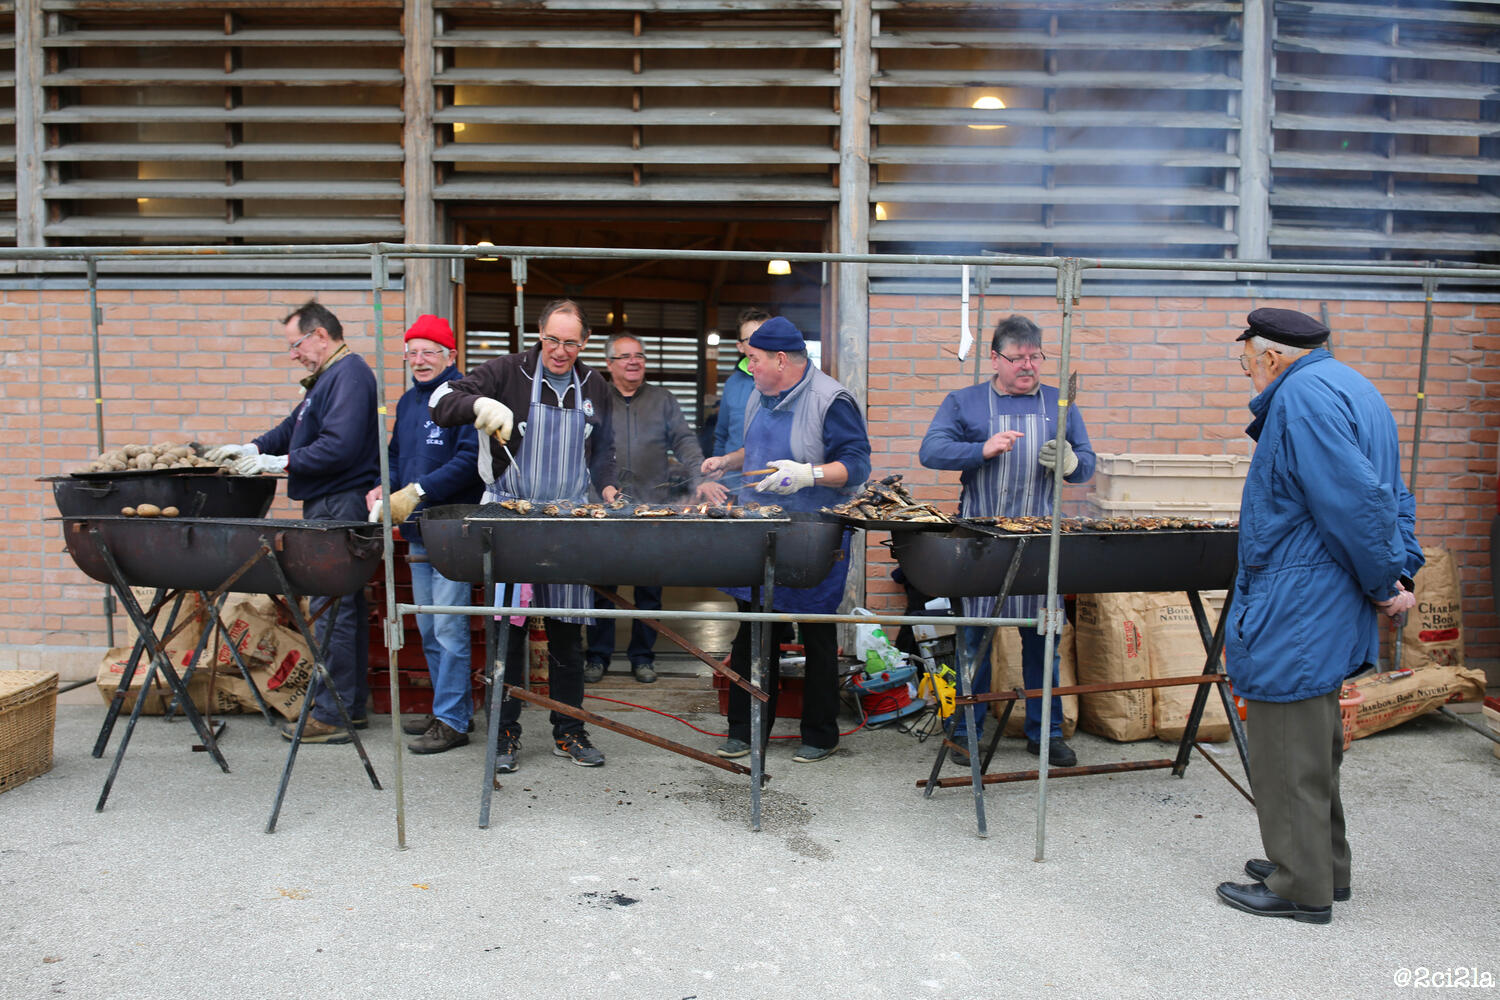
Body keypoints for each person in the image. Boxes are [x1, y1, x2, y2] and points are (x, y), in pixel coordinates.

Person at [1215, 307, 1422, 925]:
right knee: (1313, 739)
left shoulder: (1300, 400)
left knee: (1285, 741)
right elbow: (1393, 492)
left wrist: (1388, 580)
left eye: (1246, 358)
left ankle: (1300, 885)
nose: (1246, 369)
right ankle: (1322, 864)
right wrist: (1400, 566)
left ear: (1272, 355)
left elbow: (1357, 502)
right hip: (1323, 594)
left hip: (1299, 598)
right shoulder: (1352, 383)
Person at [430, 299, 620, 772]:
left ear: (585, 342)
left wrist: (612, 488)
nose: (560, 351)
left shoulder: (595, 384)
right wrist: (477, 403)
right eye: (552, 340)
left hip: (569, 521)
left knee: (565, 633)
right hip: (509, 519)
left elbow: (606, 451)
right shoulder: (504, 372)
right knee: (506, 637)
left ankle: (570, 730)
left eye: (570, 343)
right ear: (539, 333)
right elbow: (440, 403)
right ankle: (505, 734)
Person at [918, 314, 1095, 769]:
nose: (1028, 366)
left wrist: (1073, 463)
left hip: (1039, 544)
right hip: (981, 543)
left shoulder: (1061, 404)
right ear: (995, 359)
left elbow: (1088, 464)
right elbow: (931, 450)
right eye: (1017, 358)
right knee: (972, 642)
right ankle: (965, 730)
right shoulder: (965, 402)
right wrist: (980, 450)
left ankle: (1047, 733)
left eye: (1035, 357)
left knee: (1043, 642)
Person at [207, 301, 379, 744]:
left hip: (339, 506)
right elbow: (293, 427)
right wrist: (248, 448)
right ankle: (348, 707)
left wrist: (275, 462)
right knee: (342, 609)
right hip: (331, 503)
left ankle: (332, 714)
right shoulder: (328, 379)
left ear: (320, 335)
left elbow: (338, 447)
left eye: (295, 343)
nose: (293, 354)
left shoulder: (350, 376)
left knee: (330, 612)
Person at [701, 316, 871, 764]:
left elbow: (857, 465)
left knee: (815, 635)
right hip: (761, 529)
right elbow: (754, 448)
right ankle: (746, 729)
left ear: (780, 359)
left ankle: (820, 734)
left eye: (753, 359)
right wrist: (727, 460)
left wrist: (807, 474)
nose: (748, 366)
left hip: (814, 535)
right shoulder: (761, 393)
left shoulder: (831, 400)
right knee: (754, 632)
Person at [365, 314, 484, 755]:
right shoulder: (407, 403)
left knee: (450, 628)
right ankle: (447, 710)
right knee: (431, 628)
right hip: (416, 530)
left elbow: (471, 461)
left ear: (450, 356)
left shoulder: (462, 397)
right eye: (412, 352)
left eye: (429, 352)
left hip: (451, 529)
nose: (419, 360)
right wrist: (387, 484)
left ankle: (452, 720)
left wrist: (418, 490)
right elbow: (396, 455)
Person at [585, 334, 728, 685]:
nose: (634, 362)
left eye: (639, 356)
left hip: (653, 507)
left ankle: (643, 657)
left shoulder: (663, 400)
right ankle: (597, 656)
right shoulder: (596, 399)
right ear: (610, 363)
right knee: (602, 590)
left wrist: (699, 478)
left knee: (649, 591)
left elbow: (684, 442)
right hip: (605, 506)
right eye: (625, 356)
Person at [712, 307, 769, 457]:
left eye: (764, 336)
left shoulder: (786, 380)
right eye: (751, 339)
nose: (759, 344)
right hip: (735, 477)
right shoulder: (732, 384)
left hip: (776, 475)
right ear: (740, 347)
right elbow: (721, 435)